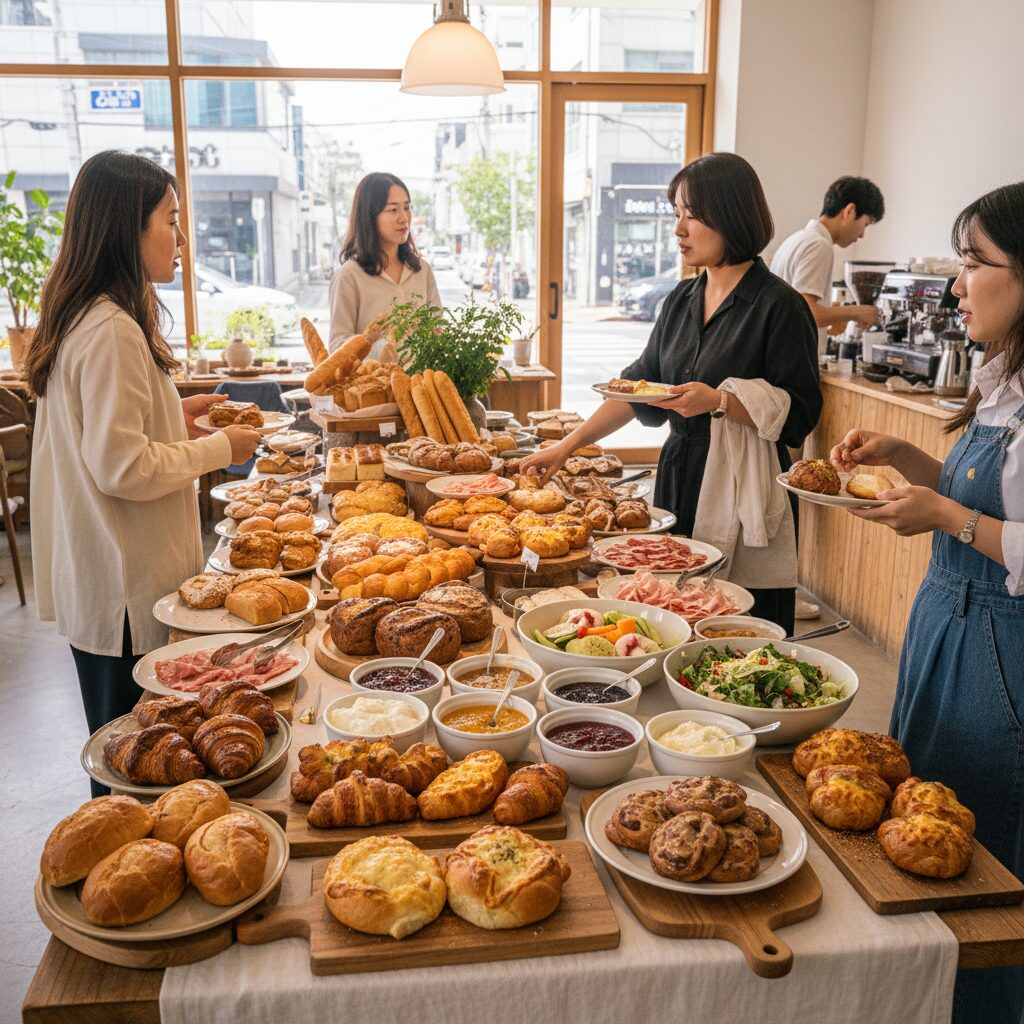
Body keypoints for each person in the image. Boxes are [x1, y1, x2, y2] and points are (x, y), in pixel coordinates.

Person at [831, 181, 1024, 1024]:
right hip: (945, 631)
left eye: (974, 264)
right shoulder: (1002, 377)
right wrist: (910, 457)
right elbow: (992, 501)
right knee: (919, 820)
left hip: (1002, 660)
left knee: (981, 860)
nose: (954, 286)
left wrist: (947, 514)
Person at [25, 151, 260, 797]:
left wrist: (171, 413)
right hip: (125, 589)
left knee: (124, 750)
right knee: (136, 766)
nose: (182, 239)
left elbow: (99, 436)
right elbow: (122, 467)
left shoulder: (94, 316)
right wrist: (223, 447)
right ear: (127, 228)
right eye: (171, 220)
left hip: (107, 574)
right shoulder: (109, 329)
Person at [522, 153, 821, 635]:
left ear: (731, 215)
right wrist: (566, 445)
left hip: (745, 483)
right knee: (671, 613)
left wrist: (720, 402)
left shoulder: (779, 306)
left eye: (692, 215)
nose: (679, 229)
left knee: (742, 625)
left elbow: (800, 415)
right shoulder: (680, 301)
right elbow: (637, 388)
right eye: (676, 214)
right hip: (681, 473)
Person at [328, 172, 441, 357]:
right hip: (375, 385)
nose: (404, 218)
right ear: (369, 216)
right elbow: (337, 348)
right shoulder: (349, 276)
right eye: (393, 210)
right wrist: (378, 343)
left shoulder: (422, 270)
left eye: (407, 208)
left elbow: (438, 331)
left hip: (421, 385)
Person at [770, 175, 886, 353]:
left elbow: (791, 310)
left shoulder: (796, 240)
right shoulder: (819, 245)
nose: (862, 234)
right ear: (849, 211)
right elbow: (807, 314)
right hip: (794, 361)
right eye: (865, 224)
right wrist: (856, 312)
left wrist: (833, 317)